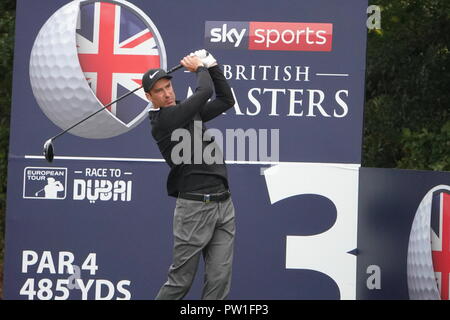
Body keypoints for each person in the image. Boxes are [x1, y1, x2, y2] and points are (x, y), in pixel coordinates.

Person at [143, 50, 236, 300]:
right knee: (180, 283)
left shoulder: (185, 111)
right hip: (194, 209)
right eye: (159, 91)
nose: (167, 93)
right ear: (149, 97)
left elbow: (226, 100)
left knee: (219, 280)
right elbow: (204, 92)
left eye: (168, 86)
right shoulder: (164, 121)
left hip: (223, 205)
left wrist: (213, 66)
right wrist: (200, 68)